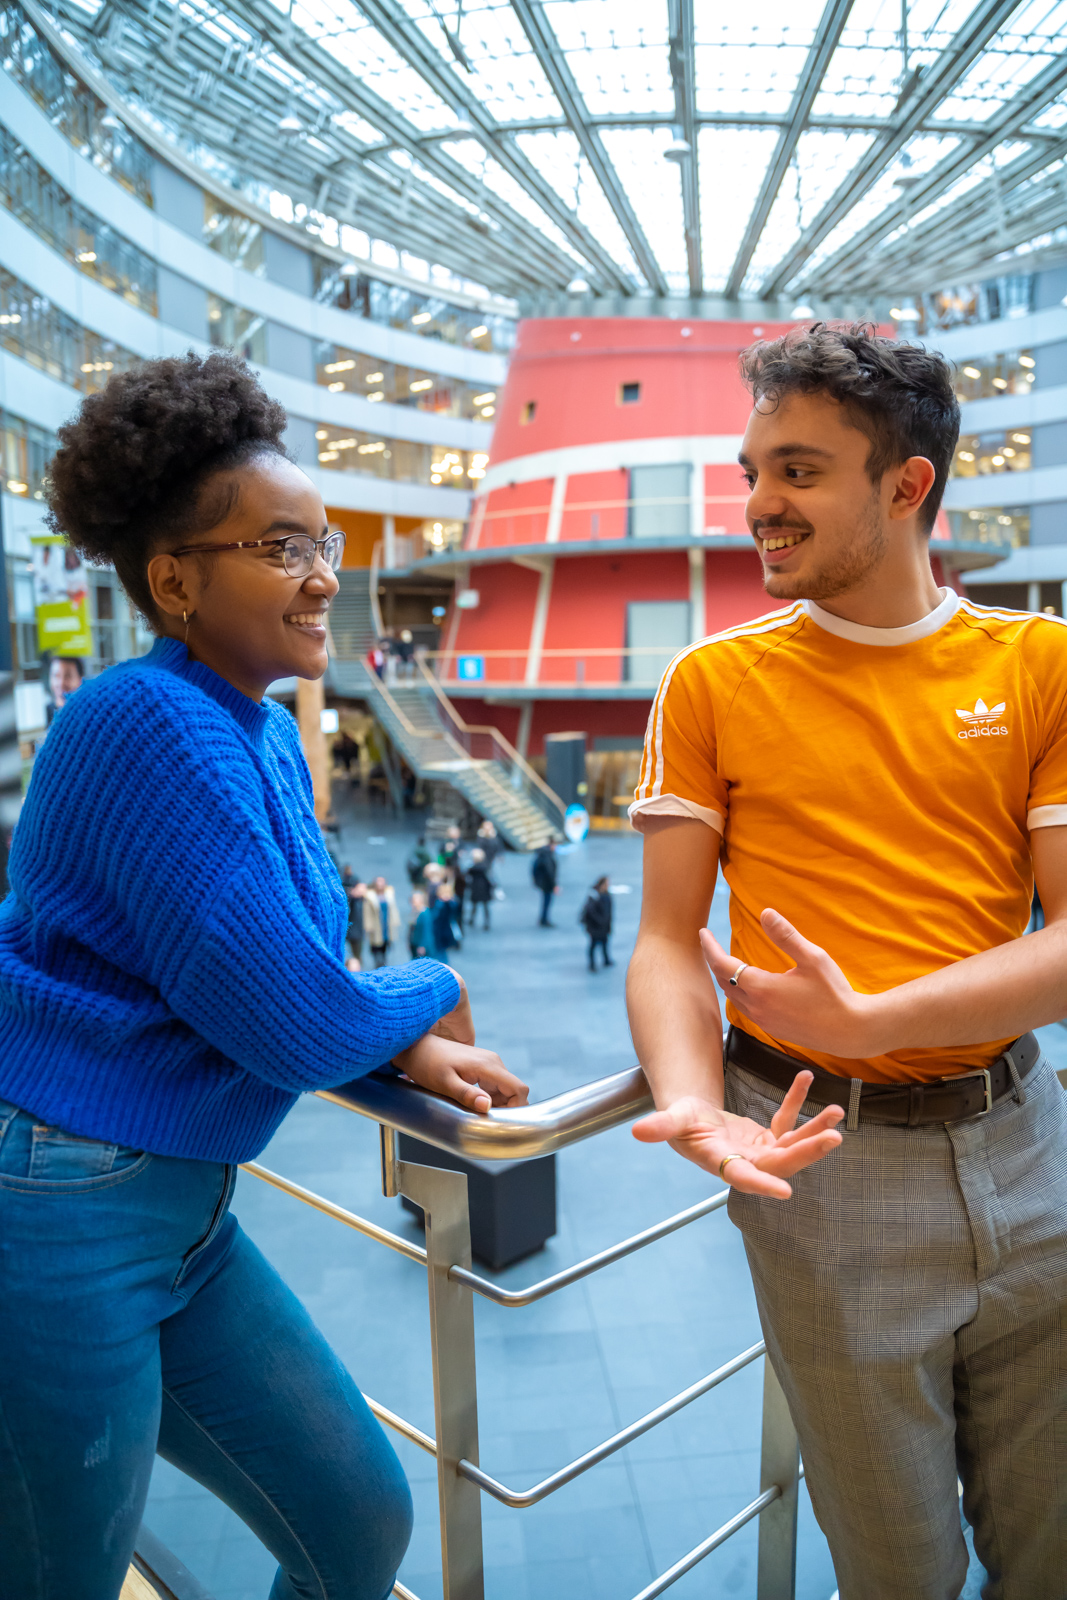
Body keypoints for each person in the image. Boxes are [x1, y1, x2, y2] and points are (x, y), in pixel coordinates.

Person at [0, 350, 528, 1600]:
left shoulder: (242, 720)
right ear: (176, 577)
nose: (325, 575)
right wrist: (428, 989)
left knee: (353, 1519)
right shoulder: (148, 722)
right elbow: (293, 1016)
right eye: (283, 547)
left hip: (177, 1213)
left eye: (324, 540)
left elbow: (289, 969)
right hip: (58, 1206)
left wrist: (383, 1028)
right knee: (57, 1573)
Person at [626, 323, 1067, 1600]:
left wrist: (874, 1017)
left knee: (1047, 1554)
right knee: (895, 1568)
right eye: (752, 469)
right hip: (821, 1163)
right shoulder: (712, 683)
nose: (759, 504)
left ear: (904, 485)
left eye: (799, 471)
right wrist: (689, 1098)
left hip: (1028, 1141)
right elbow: (665, 937)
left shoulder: (1036, 666)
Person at [362, 875, 400, 968]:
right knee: (376, 948)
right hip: (376, 926)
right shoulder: (370, 897)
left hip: (386, 925)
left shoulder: (388, 895)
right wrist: (368, 926)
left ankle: (384, 965)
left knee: (385, 948)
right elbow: (367, 912)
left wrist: (395, 921)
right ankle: (378, 966)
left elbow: (393, 909)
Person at [580, 876, 613, 970]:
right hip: (595, 926)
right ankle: (592, 964)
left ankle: (606, 960)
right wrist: (600, 921)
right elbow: (590, 911)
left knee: (604, 943)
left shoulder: (606, 895)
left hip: (604, 926)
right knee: (593, 944)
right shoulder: (595, 896)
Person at [45, 655, 83, 725]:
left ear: (80, 680)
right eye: (56, 676)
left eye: (68, 676)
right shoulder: (50, 709)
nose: (61, 683)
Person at [432, 882, 462, 960]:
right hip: (442, 932)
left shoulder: (445, 904)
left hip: (443, 932)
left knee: (441, 954)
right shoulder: (442, 904)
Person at [531, 838, 558, 926]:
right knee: (547, 901)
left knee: (545, 901)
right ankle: (544, 919)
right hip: (547, 883)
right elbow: (549, 871)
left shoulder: (542, 854)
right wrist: (554, 885)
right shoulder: (547, 855)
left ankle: (543, 918)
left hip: (543, 882)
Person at [467, 848, 493, 930]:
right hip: (484, 888)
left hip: (475, 888)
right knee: (485, 907)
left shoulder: (472, 868)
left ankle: (472, 919)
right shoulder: (486, 867)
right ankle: (487, 922)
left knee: (474, 906)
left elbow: (467, 876)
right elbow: (490, 879)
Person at [409, 890, 438, 961]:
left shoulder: (425, 913)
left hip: (422, 945)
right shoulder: (416, 912)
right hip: (415, 943)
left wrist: (423, 945)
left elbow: (427, 930)